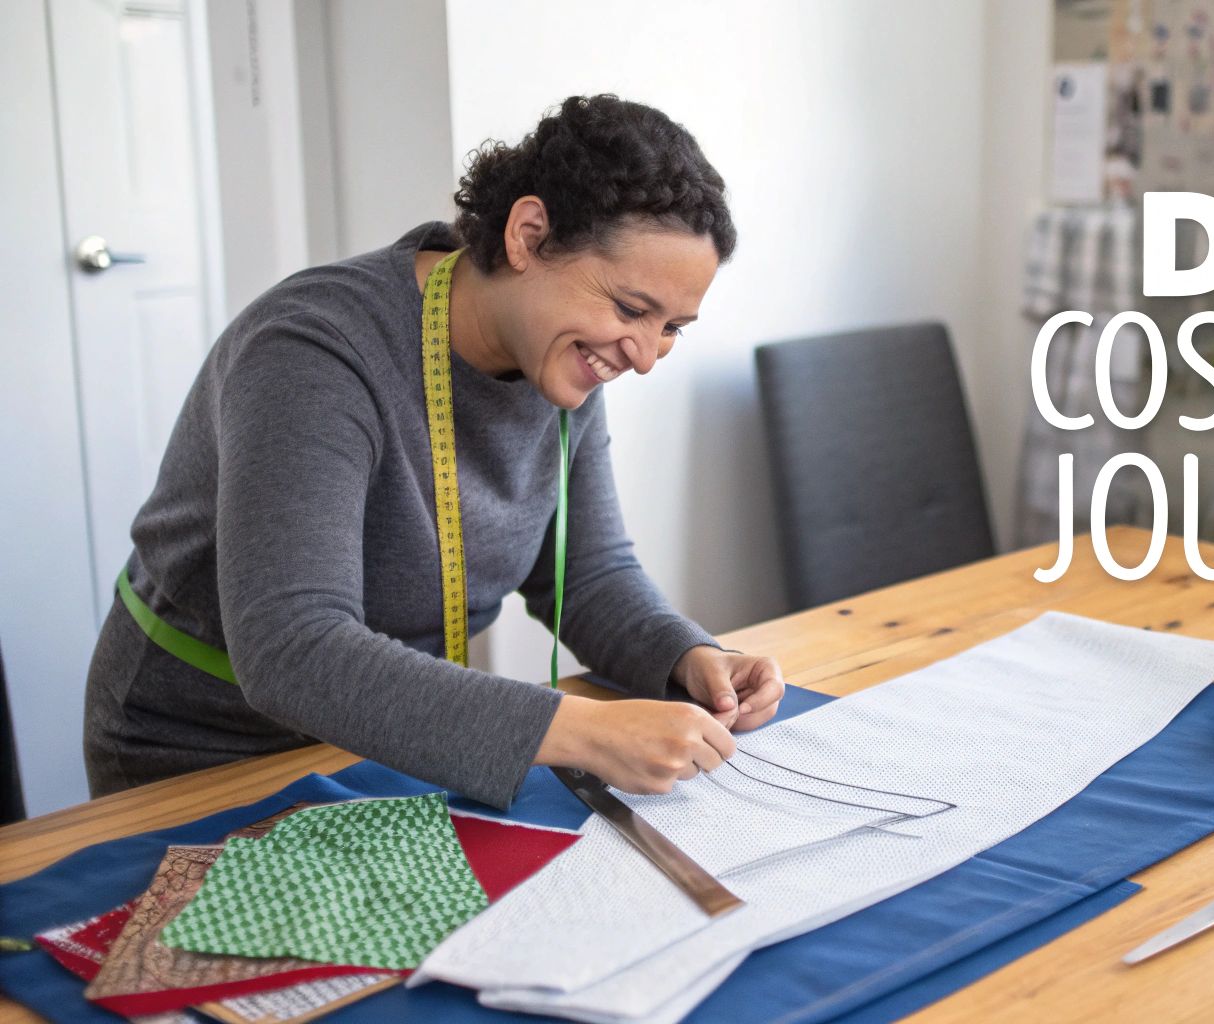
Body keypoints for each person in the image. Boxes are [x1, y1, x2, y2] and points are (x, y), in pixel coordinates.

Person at [84, 94, 782, 809]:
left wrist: (690, 656)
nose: (644, 356)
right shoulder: (314, 349)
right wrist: (586, 731)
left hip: (389, 738)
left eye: (673, 327)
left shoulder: (563, 356)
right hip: (207, 750)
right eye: (632, 309)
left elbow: (588, 575)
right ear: (530, 235)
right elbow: (292, 651)